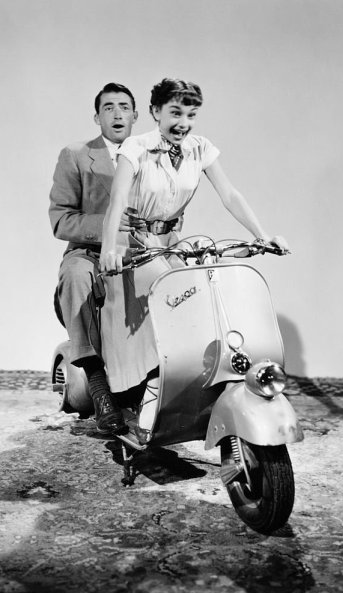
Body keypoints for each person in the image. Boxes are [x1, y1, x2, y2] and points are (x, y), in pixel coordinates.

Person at [99, 77, 289, 394]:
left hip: (172, 242)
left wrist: (262, 235)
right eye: (175, 113)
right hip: (132, 244)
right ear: (155, 111)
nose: (183, 123)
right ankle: (151, 385)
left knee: (206, 288)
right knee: (169, 297)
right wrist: (108, 249)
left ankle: (202, 378)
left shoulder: (199, 148)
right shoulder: (135, 148)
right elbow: (117, 201)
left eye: (191, 115)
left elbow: (229, 194)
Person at [49, 82, 138, 435]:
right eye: (108, 107)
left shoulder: (151, 154)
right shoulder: (75, 154)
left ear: (136, 115)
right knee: (75, 277)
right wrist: (109, 225)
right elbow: (61, 219)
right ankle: (98, 385)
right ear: (97, 116)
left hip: (141, 251)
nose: (117, 113)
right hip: (90, 251)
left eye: (124, 106)